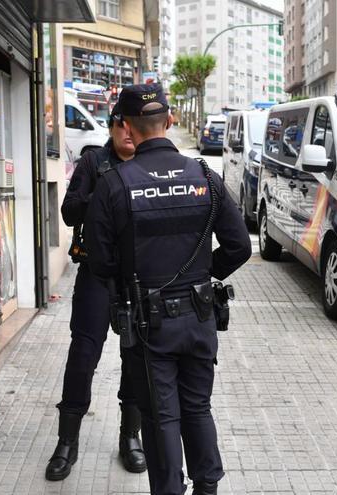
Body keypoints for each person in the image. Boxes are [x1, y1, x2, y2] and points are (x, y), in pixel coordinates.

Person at [84, 84, 252, 495]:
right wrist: (202, 277)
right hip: (199, 317)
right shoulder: (204, 177)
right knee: (198, 407)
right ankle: (208, 488)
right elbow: (241, 247)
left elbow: (100, 262)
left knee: (161, 417)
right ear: (170, 122)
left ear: (125, 125)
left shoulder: (114, 184)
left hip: (146, 324)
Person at [45, 102, 147, 481]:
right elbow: (70, 211)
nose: (127, 133)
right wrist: (104, 195)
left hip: (136, 280)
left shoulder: (148, 165)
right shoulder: (92, 163)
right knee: (83, 355)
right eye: (121, 125)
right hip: (94, 275)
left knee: (135, 357)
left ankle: (130, 438)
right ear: (113, 127)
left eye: (133, 126)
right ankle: (66, 443)